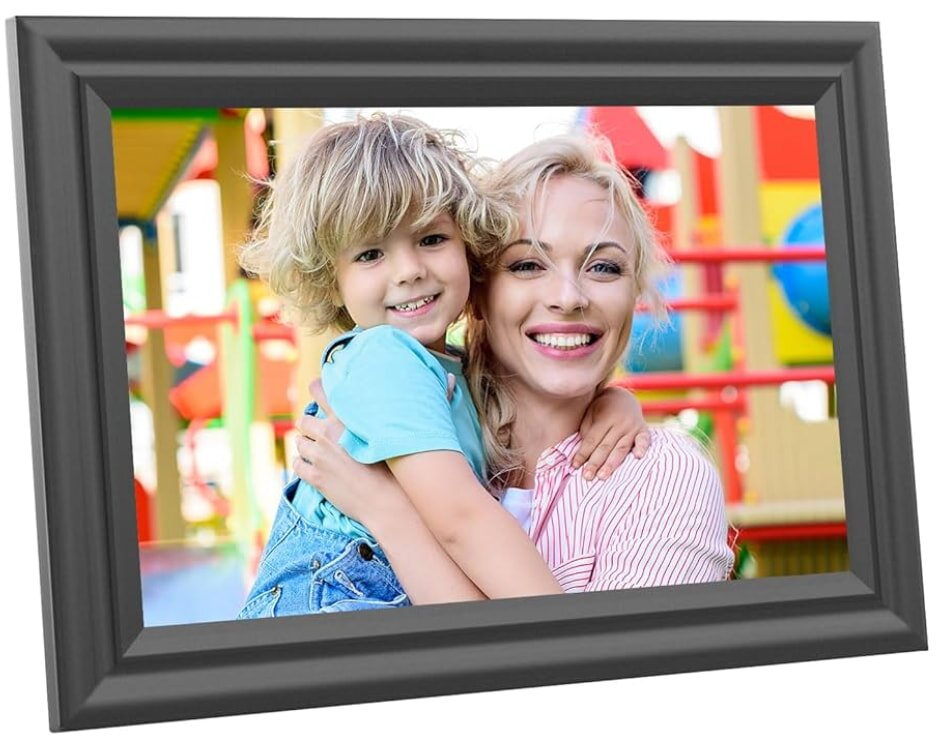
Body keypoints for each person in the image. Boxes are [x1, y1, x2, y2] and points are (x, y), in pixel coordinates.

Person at [236, 114, 649, 618]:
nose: (409, 270)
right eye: (370, 253)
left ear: (470, 247)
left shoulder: (447, 370)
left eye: (431, 239)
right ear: (331, 278)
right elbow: (460, 519)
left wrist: (613, 400)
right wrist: (564, 629)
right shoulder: (385, 360)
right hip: (335, 594)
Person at [295, 133, 734, 599]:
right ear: (478, 291)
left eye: (604, 267)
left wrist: (388, 512)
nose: (569, 298)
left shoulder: (660, 475)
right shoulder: (425, 403)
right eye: (527, 264)